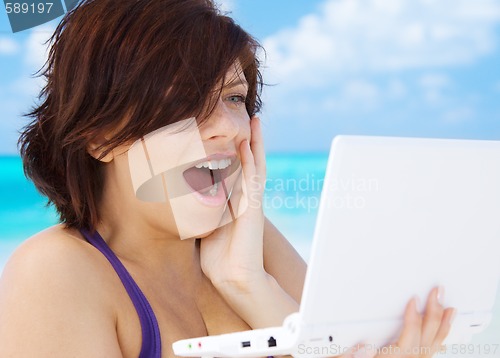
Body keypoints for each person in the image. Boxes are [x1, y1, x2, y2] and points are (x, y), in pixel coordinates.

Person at [0, 0, 455, 357]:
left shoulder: (251, 243)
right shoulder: (57, 272)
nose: (230, 127)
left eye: (235, 98)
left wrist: (249, 284)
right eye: (186, 101)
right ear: (100, 137)